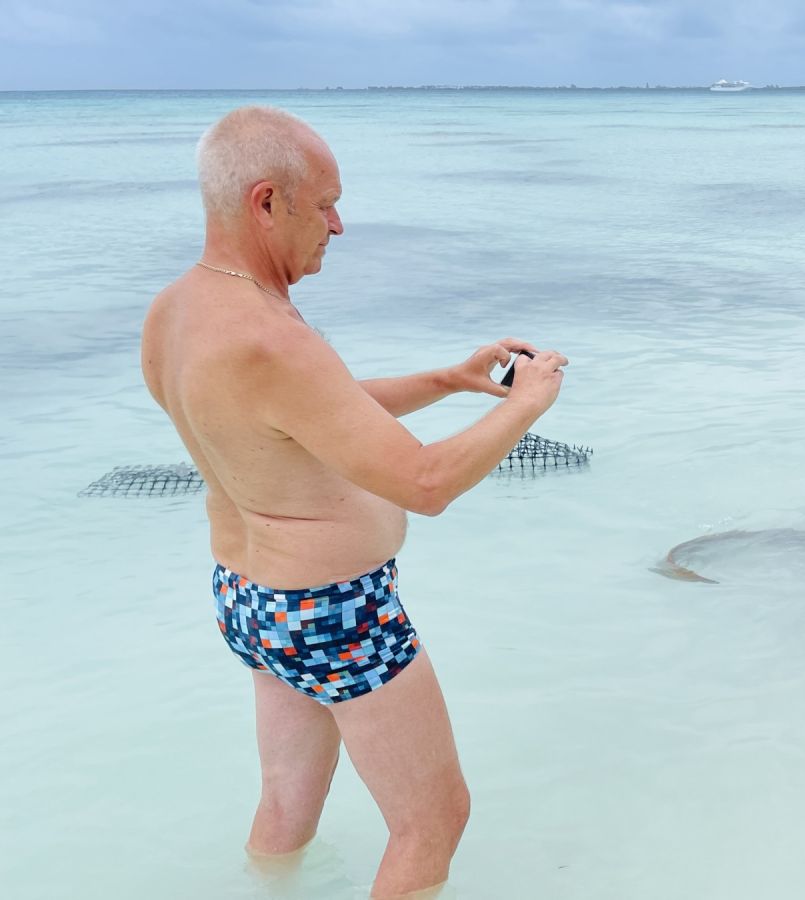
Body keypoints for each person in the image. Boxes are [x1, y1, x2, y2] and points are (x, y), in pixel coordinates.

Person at [140, 105, 568, 898]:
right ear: (267, 201)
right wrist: (525, 403)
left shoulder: (175, 311)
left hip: (253, 603)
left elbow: (302, 416)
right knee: (433, 821)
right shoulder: (272, 340)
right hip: (335, 613)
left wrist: (451, 380)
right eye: (326, 203)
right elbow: (427, 485)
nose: (338, 226)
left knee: (285, 807)